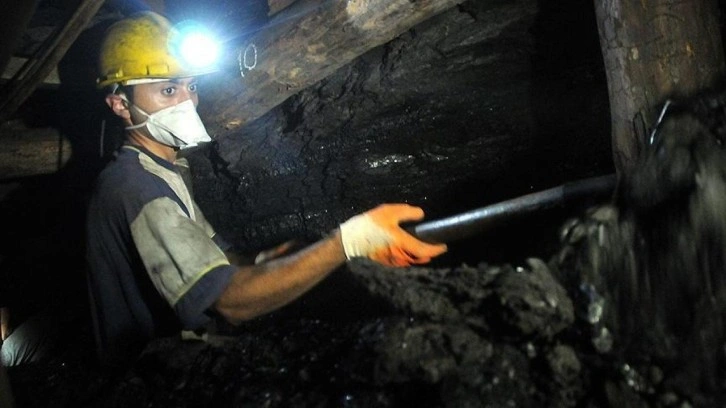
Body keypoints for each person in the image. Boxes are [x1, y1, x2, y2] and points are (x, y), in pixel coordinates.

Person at [85, 11, 447, 368]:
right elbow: (229, 301)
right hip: (144, 376)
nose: (186, 101)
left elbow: (216, 260)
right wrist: (345, 243)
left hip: (178, 357)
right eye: (168, 90)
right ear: (121, 105)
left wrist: (273, 258)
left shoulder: (169, 167)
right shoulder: (135, 187)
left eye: (191, 86)